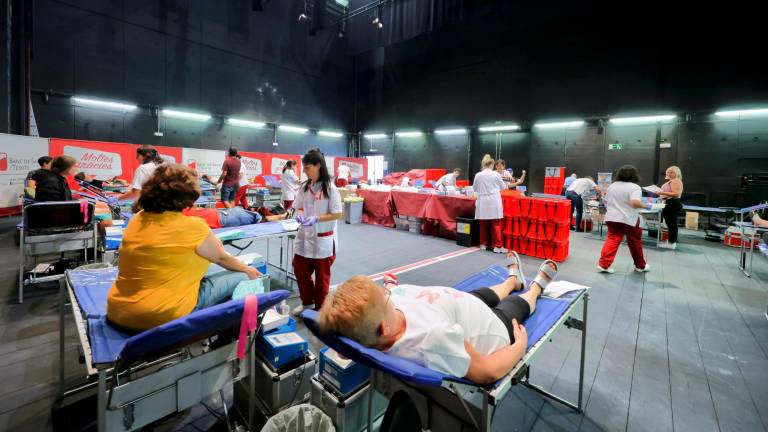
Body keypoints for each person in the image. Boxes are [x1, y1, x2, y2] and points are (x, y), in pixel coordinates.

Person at [318, 252, 559, 384]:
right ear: (384, 328)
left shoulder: (382, 321)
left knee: (484, 294)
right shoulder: (435, 339)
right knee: (514, 306)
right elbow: (487, 371)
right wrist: (519, 347)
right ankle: (536, 287)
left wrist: (390, 286)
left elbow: (349, 345)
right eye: (386, 296)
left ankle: (511, 281)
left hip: (455, 305)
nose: (388, 293)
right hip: (490, 327)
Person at [106, 164, 262, 332]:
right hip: (158, 316)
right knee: (245, 276)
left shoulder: (136, 218)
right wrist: (249, 270)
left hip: (118, 311)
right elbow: (222, 258)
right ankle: (231, 336)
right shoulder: (193, 225)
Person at [291, 149, 343, 315]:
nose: (304, 171)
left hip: (322, 240)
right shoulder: (306, 187)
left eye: (307, 168)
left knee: (322, 278)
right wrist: (300, 214)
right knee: (299, 270)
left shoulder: (330, 188)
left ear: (318, 166)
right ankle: (307, 303)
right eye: (304, 168)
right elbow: (299, 206)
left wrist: (317, 218)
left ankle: (320, 309)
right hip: (304, 237)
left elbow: (337, 213)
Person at [597, 165, 650, 273]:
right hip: (629, 218)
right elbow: (635, 202)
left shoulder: (612, 186)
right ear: (634, 175)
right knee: (635, 242)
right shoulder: (634, 187)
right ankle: (640, 266)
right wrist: (648, 206)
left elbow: (606, 200)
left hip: (612, 217)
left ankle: (603, 264)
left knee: (612, 239)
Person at [474, 155, 508, 253]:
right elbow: (503, 187)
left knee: (483, 224)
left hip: (482, 201)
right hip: (494, 200)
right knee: (496, 224)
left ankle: (483, 244)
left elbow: (475, 189)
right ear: (492, 165)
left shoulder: (478, 175)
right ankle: (497, 246)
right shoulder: (496, 175)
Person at [183, 206, 286, 229]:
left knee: (260, 219)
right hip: (223, 213)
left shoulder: (178, 215)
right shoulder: (183, 208)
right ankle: (281, 215)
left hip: (223, 217)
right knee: (257, 217)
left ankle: (282, 216)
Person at [656, 166, 683, 250]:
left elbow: (676, 194)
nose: (668, 173)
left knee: (672, 224)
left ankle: (672, 243)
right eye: (668, 172)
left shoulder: (675, 181)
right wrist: (661, 195)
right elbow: (671, 193)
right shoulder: (672, 181)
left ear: (676, 173)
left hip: (672, 203)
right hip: (670, 202)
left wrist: (662, 192)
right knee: (671, 224)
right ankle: (671, 242)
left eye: (671, 172)